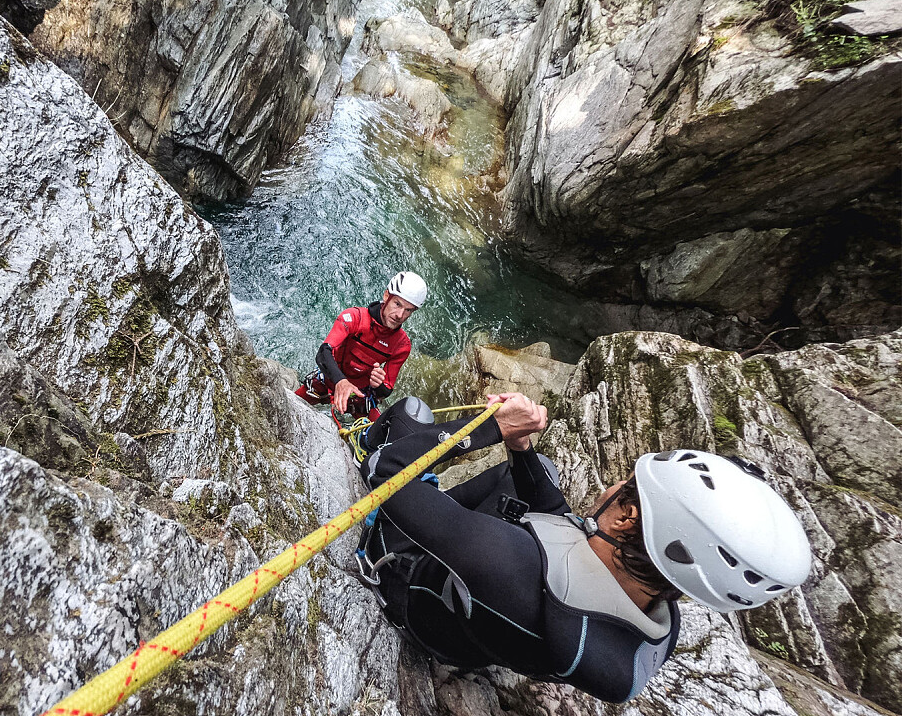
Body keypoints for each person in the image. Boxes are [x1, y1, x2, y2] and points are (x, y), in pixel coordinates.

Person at [354, 393, 812, 703]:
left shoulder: (507, 562)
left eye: (628, 484)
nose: (615, 483)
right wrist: (520, 445)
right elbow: (563, 524)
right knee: (538, 470)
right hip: (481, 625)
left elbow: (387, 471)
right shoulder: (655, 625)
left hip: (407, 583)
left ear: (627, 518)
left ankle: (363, 434)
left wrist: (491, 428)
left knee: (412, 414)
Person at [296, 271, 427, 420]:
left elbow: (387, 389)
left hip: (359, 394)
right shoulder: (354, 318)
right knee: (287, 405)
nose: (400, 315)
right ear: (386, 296)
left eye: (408, 310)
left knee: (379, 436)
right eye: (397, 304)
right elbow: (324, 352)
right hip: (328, 380)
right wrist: (341, 382)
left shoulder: (402, 345)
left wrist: (377, 384)